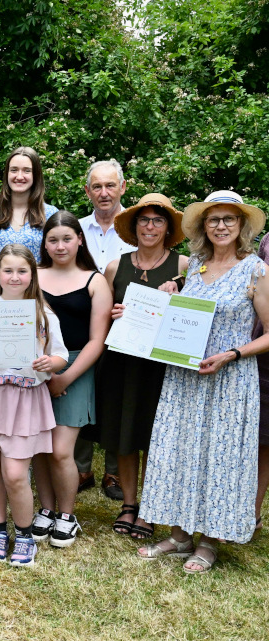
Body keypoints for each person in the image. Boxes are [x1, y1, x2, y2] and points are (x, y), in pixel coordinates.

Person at [137, 190, 269, 573]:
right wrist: (168, 296)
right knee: (177, 450)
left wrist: (233, 354)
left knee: (221, 457)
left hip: (229, 379)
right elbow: (181, 318)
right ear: (202, 226)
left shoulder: (255, 270)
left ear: (241, 225)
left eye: (229, 219)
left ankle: (210, 541)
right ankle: (179, 536)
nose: (222, 226)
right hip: (184, 376)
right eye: (214, 219)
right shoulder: (194, 265)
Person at [0, 244, 68, 566]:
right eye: (8, 270)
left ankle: (24, 535)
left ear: (32, 274)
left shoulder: (43, 314)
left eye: (22, 271)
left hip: (24, 399)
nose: (15, 277)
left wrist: (51, 362)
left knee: (16, 472)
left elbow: (61, 354)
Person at [96, 194, 188, 539]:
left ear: (168, 228)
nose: (150, 226)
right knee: (125, 434)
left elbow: (195, 316)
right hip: (121, 362)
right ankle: (129, 505)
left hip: (162, 367)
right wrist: (112, 313)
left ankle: (150, 507)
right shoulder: (115, 266)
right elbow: (99, 319)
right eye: (144, 220)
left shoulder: (184, 266)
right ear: (134, 227)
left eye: (157, 221)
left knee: (156, 437)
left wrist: (177, 294)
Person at [31, 212, 112, 548]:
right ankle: (46, 510)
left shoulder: (95, 281)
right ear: (44, 244)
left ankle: (67, 514)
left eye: (67, 238)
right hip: (33, 367)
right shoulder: (33, 276)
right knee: (38, 447)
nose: (60, 246)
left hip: (77, 369)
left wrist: (65, 378)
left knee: (62, 450)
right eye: (53, 240)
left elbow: (98, 340)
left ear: (80, 239)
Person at [76, 159, 133, 499]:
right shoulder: (76, 229)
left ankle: (113, 472)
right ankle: (82, 468)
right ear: (87, 191)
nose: (104, 192)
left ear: (123, 187)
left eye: (110, 185)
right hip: (81, 326)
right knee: (83, 391)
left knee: (117, 397)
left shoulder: (139, 228)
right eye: (96, 186)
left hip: (126, 327)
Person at [0, 147, 58, 260]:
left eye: (26, 171)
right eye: (14, 170)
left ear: (36, 175)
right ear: (7, 174)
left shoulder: (50, 214)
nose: (19, 176)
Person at [256, 235, 269, 532]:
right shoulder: (268, 240)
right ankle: (249, 513)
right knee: (260, 437)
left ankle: (251, 514)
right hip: (259, 349)